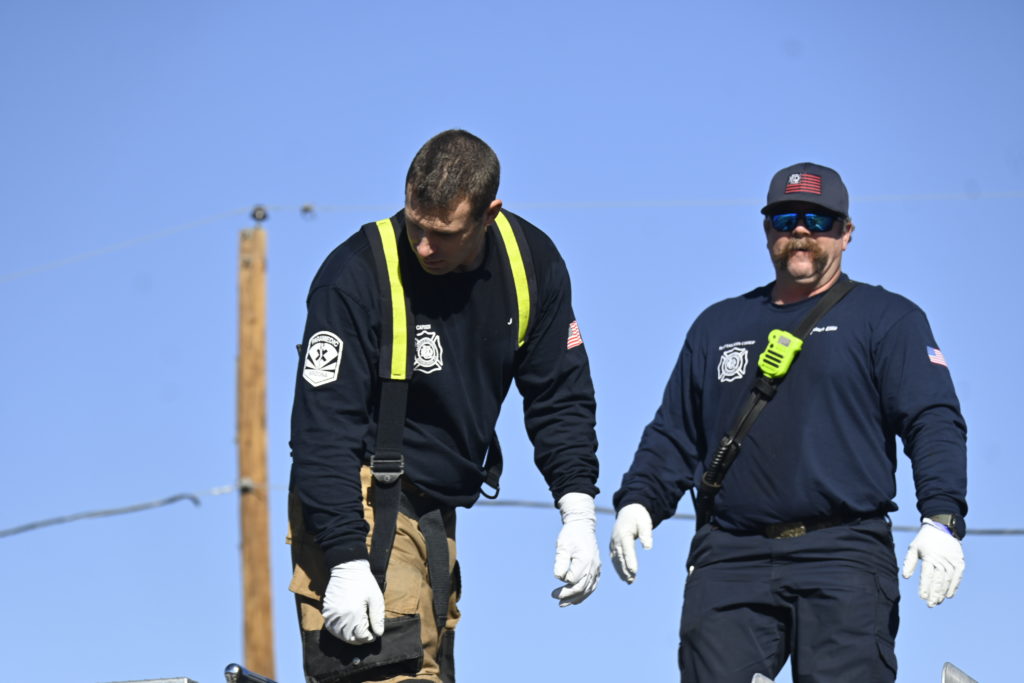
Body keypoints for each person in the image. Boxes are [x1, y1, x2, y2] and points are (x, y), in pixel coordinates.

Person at [609, 162, 967, 682]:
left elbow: (932, 420)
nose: (800, 231)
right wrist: (639, 500)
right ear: (766, 231)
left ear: (846, 233)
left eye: (818, 221)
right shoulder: (718, 325)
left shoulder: (887, 319)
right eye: (785, 219)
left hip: (843, 553)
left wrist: (941, 518)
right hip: (731, 555)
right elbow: (674, 433)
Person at [288, 129, 601, 683]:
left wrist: (577, 511)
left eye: (444, 234)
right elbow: (322, 431)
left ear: (489, 215)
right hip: (359, 500)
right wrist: (345, 558)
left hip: (438, 512)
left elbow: (560, 394)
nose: (424, 247)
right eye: (416, 226)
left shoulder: (532, 265)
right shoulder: (354, 277)